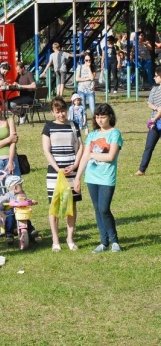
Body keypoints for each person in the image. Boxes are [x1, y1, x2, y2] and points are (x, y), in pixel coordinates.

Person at [74, 103, 123, 253]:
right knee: (97, 209)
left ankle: (114, 241)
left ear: (110, 117)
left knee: (104, 208)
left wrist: (92, 155)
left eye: (103, 117)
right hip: (92, 178)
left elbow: (110, 156)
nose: (100, 120)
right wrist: (77, 178)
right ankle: (104, 242)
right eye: (98, 117)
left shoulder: (115, 134)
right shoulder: (92, 135)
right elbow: (84, 158)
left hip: (106, 177)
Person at [42, 97, 84, 251]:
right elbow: (46, 150)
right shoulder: (48, 127)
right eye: (57, 111)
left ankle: (70, 238)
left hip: (72, 171)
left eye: (63, 111)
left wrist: (74, 165)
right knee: (55, 205)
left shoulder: (74, 125)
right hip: (55, 172)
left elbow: (81, 147)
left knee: (71, 205)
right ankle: (55, 239)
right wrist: (57, 168)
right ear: (53, 112)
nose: (61, 114)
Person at [0, 175, 37, 245]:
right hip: (10, 213)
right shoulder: (6, 197)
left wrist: (31, 201)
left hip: (20, 213)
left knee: (26, 220)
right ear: (15, 187)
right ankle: (9, 234)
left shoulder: (21, 194)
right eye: (20, 185)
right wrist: (3, 215)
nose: (22, 187)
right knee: (10, 220)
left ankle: (31, 231)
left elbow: (25, 200)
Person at [134, 68, 161, 176]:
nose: (154, 77)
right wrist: (156, 108)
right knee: (149, 146)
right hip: (155, 123)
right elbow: (149, 104)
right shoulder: (154, 89)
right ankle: (141, 170)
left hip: (155, 120)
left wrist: (154, 118)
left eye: (156, 76)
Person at [75, 53, 96, 117]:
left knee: (93, 109)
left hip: (90, 90)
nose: (88, 61)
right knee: (83, 108)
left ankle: (95, 122)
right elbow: (77, 78)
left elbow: (92, 78)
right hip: (81, 90)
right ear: (84, 60)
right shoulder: (80, 67)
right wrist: (87, 78)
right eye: (86, 60)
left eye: (89, 60)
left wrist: (89, 68)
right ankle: (84, 123)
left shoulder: (92, 67)